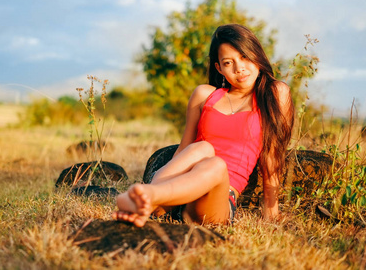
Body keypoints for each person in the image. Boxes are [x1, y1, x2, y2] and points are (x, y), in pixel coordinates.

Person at [112, 24, 294, 227]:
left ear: (256, 54)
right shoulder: (204, 95)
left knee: (216, 165)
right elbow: (184, 149)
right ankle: (152, 202)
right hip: (179, 190)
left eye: (244, 57)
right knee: (203, 147)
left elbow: (272, 154)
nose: (239, 68)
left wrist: (271, 208)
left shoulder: (275, 93)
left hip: (215, 201)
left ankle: (148, 195)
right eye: (228, 62)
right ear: (219, 68)